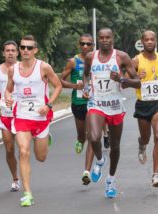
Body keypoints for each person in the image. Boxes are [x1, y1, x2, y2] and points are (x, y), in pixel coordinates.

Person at [83, 28, 141, 198]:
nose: (104, 40)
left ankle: (111, 179)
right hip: (97, 103)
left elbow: (137, 82)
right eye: (101, 38)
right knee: (93, 138)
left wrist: (121, 79)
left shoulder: (121, 56)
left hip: (115, 105)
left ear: (113, 39)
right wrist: (86, 86)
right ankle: (100, 160)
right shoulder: (90, 57)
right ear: (98, 40)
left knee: (115, 147)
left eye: (108, 37)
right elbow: (86, 74)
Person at [5, 35, 62, 207]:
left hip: (41, 117)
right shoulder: (13, 69)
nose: (25, 51)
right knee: (23, 151)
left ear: (35, 50)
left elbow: (58, 85)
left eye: (29, 48)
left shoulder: (43, 67)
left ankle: (44, 137)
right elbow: (9, 89)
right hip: (22, 117)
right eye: (22, 47)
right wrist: (8, 98)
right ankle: (27, 193)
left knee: (41, 157)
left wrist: (49, 105)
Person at [132, 30, 158, 187]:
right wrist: (136, 77)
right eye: (146, 39)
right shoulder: (136, 60)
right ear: (142, 41)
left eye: (152, 39)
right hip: (143, 104)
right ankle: (142, 145)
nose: (149, 42)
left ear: (156, 41)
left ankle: (156, 176)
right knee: (146, 138)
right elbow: (124, 80)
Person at [60, 34, 95, 185]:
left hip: (93, 103)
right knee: (82, 136)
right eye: (83, 43)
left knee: (92, 135)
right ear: (79, 44)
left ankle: (86, 171)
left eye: (88, 44)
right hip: (78, 102)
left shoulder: (98, 60)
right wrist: (75, 86)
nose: (85, 46)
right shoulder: (73, 62)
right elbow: (60, 80)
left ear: (93, 45)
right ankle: (80, 140)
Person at [0, 40, 20, 191]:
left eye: (13, 50)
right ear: (3, 53)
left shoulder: (23, 68)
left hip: (22, 114)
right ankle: (15, 179)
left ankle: (41, 133)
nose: (10, 53)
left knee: (24, 147)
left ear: (17, 53)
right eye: (7, 50)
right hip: (6, 115)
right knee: (9, 149)